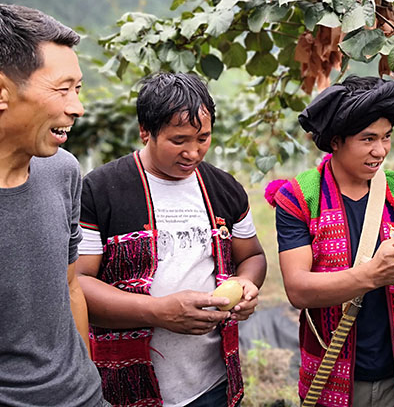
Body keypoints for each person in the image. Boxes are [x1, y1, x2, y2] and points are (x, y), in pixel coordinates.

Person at [0, 4, 104, 406]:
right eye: (61, 88)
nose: (76, 107)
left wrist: (85, 379)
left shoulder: (62, 170)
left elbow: (69, 287)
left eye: (78, 89)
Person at [77, 72, 267, 407]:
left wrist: (246, 283)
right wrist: (157, 311)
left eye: (203, 138)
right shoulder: (100, 190)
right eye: (178, 141)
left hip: (211, 384)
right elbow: (77, 284)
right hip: (121, 388)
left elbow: (252, 255)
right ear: (145, 131)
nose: (193, 153)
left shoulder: (225, 189)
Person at [266, 75, 394, 407]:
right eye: (368, 139)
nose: (380, 150)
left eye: (386, 137)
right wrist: (373, 274)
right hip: (332, 371)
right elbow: (298, 290)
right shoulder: (301, 197)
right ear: (335, 141)